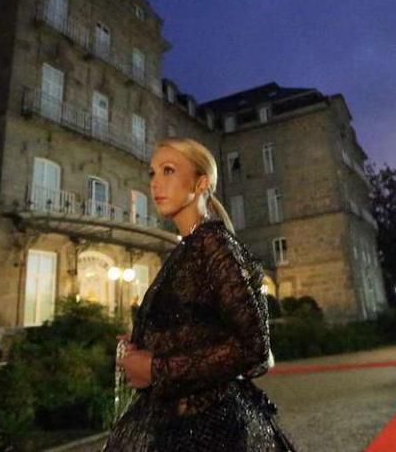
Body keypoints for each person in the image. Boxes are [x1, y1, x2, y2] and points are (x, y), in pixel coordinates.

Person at [104, 139, 294, 451]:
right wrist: (142, 343)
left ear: (201, 182)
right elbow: (199, 329)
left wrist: (155, 369)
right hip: (178, 425)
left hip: (211, 430)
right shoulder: (187, 249)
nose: (155, 184)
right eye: (152, 173)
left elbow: (254, 349)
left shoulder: (213, 245)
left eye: (168, 171)